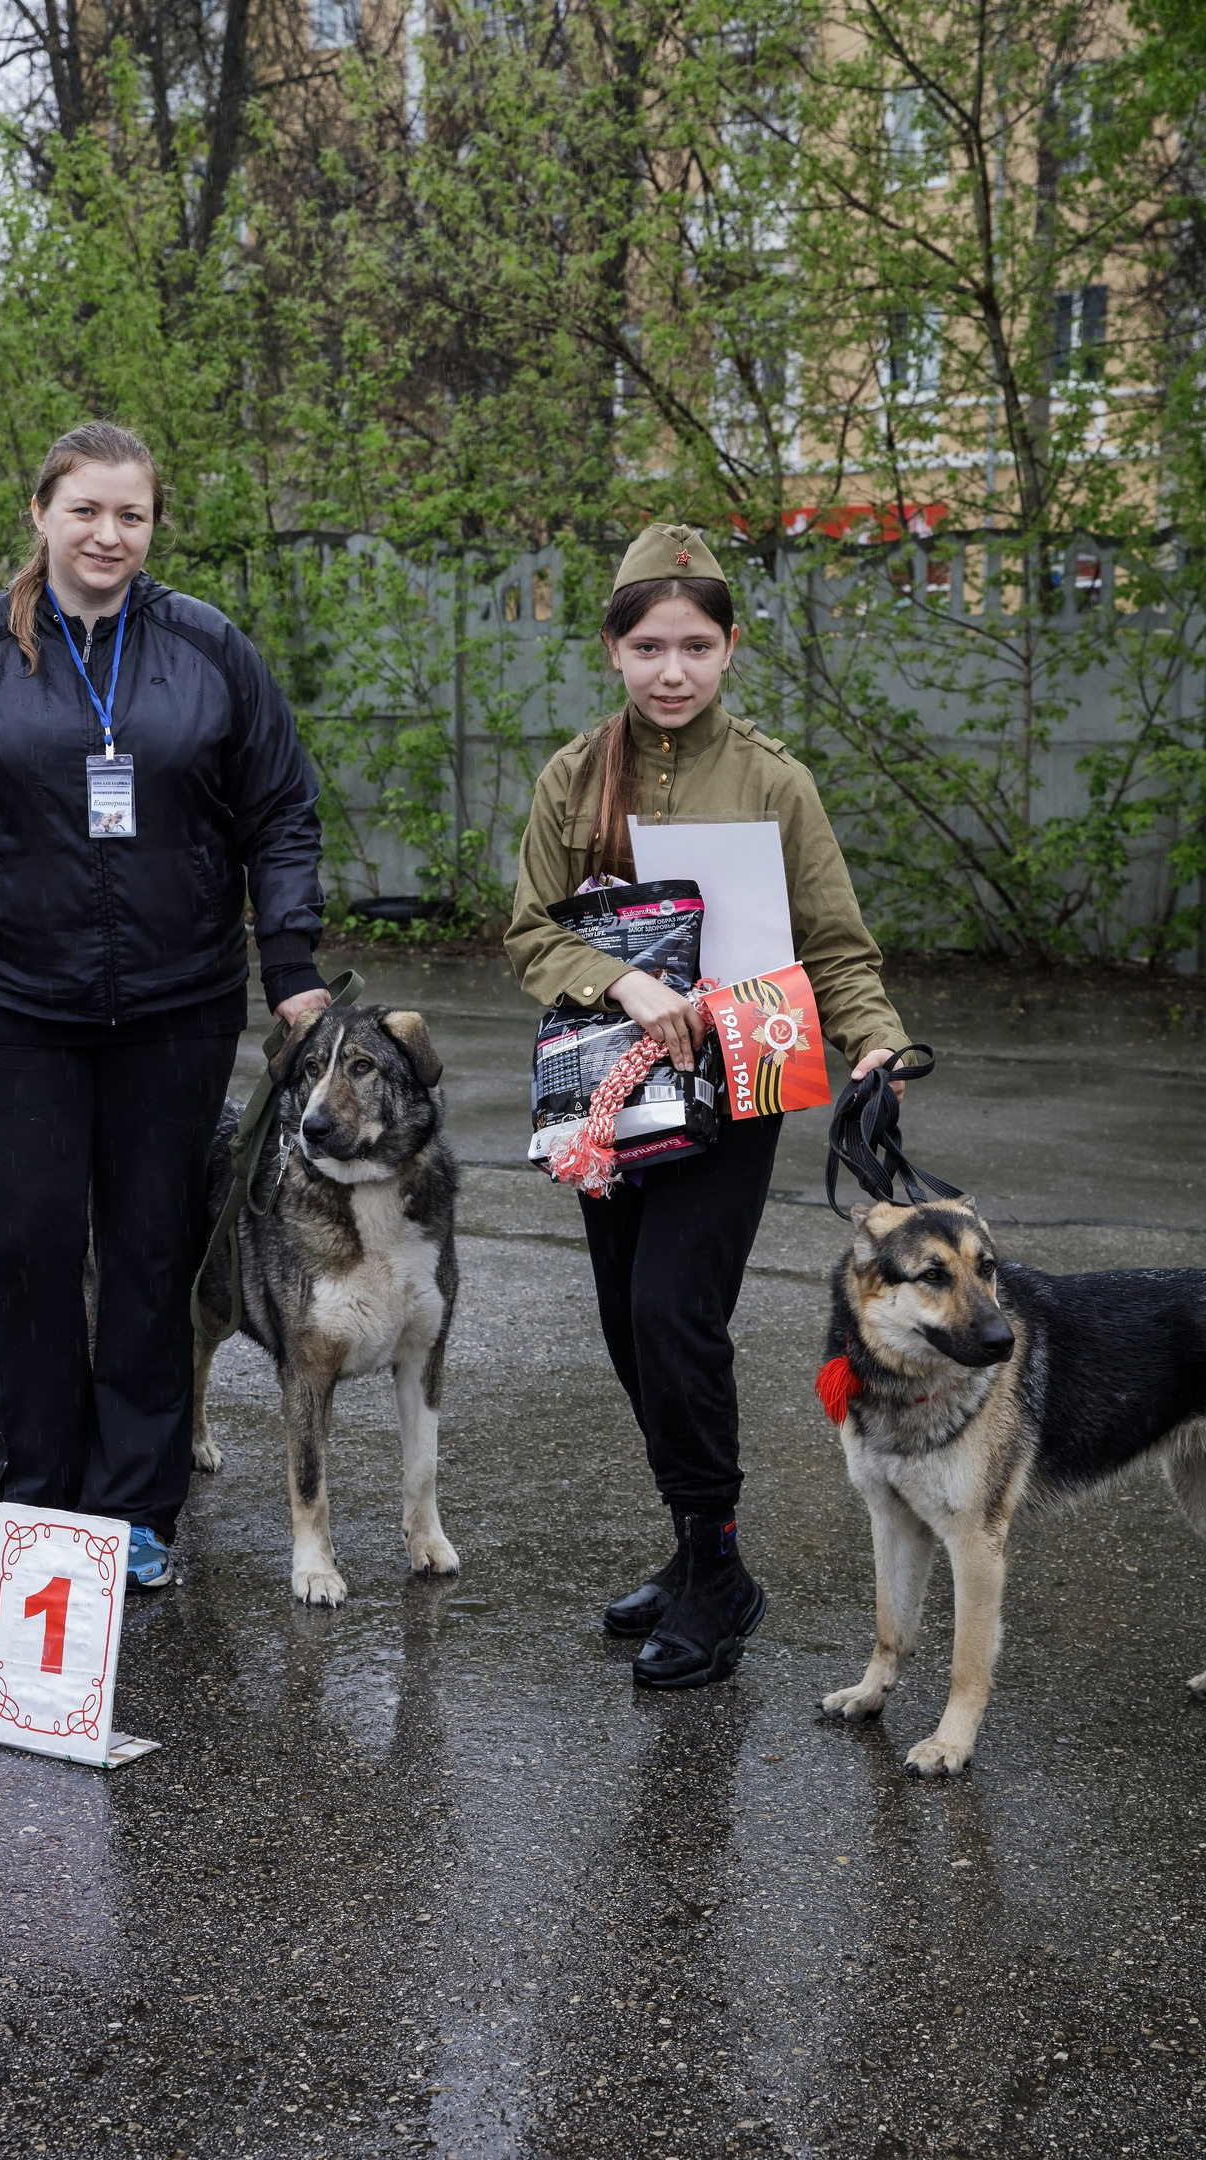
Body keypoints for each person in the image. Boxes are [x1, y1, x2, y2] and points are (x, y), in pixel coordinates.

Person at [0, 421, 331, 1590]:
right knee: (23, 1251)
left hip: (174, 1008)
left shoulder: (207, 650)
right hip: (11, 1002)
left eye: (131, 515)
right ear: (41, 514)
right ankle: (32, 1496)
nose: (108, 536)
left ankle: (134, 1508)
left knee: (148, 1252)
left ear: (153, 526)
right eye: (86, 511)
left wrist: (291, 971)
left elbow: (278, 810)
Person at [505, 522, 909, 1689]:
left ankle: (722, 1571)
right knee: (633, 1329)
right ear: (613, 651)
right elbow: (532, 927)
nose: (670, 670)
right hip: (610, 1094)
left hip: (738, 1086)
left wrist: (875, 1040)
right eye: (647, 647)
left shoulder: (775, 780)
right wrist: (623, 980)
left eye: (694, 646)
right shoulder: (574, 777)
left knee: (678, 1315)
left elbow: (834, 944)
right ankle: (692, 1550)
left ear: (730, 648)